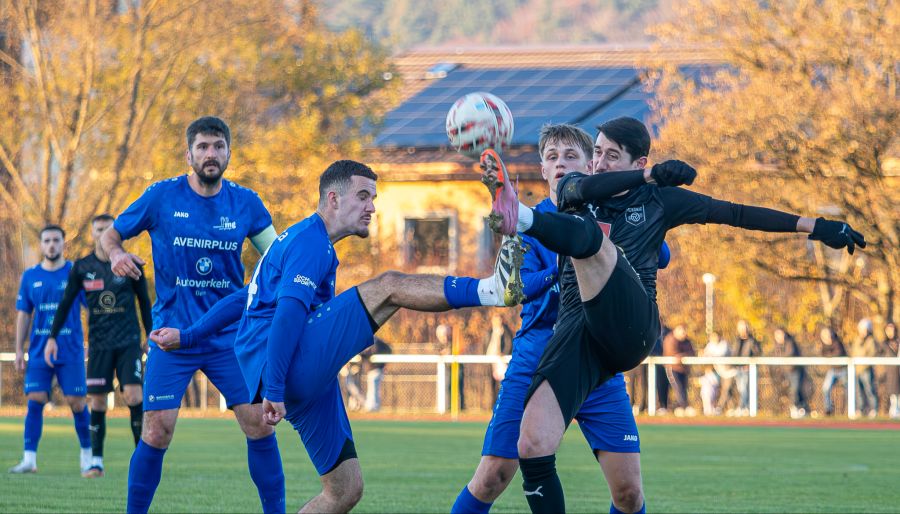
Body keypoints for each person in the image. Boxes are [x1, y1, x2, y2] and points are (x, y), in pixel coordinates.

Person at [480, 115, 865, 513]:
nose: (599, 163)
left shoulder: (659, 201)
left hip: (632, 327)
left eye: (612, 155)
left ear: (638, 161)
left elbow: (736, 213)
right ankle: (522, 216)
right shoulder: (575, 188)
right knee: (538, 448)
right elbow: (589, 186)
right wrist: (649, 176)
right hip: (580, 336)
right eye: (596, 152)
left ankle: (520, 215)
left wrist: (816, 226)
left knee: (593, 239)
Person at [148, 159, 523, 512]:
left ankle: (500, 288)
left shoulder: (299, 240)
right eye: (363, 196)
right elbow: (288, 315)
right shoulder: (310, 242)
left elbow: (243, 298)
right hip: (286, 366)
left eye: (373, 198)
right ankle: (490, 289)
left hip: (293, 375)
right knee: (388, 286)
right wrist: (274, 388)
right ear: (333, 198)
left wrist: (190, 335)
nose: (371, 207)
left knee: (345, 489)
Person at [450, 124, 672, 514]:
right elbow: (516, 287)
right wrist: (567, 263)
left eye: (570, 156)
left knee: (628, 493)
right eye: (552, 157)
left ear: (591, 166)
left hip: (596, 359)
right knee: (493, 476)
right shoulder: (527, 221)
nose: (560, 164)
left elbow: (661, 254)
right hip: (537, 357)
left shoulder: (612, 213)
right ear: (542, 169)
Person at [100, 116, 284, 514]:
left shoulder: (246, 203)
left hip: (231, 337)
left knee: (259, 424)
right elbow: (110, 234)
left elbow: (278, 258)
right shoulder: (161, 196)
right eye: (202, 147)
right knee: (157, 429)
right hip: (172, 336)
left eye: (218, 146)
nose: (210, 154)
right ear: (189, 155)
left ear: (229, 153)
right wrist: (115, 254)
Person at [45, 214, 153, 478]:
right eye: (99, 229)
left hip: (128, 342)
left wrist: (150, 334)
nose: (103, 233)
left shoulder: (130, 264)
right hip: (99, 345)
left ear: (116, 233)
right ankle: (96, 462)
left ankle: (141, 461)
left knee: (134, 396)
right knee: (98, 401)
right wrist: (52, 337)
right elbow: (66, 303)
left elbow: (145, 302)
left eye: (108, 229)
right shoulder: (82, 267)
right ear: (93, 234)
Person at [9, 225, 92, 475]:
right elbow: (24, 314)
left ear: (64, 243)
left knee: (77, 401)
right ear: (41, 245)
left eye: (56, 240)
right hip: (38, 350)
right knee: (35, 399)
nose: (52, 245)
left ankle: (88, 456)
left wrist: (94, 341)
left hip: (71, 348)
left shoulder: (76, 272)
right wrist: (18, 350)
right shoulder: (30, 276)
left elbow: (92, 308)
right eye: (47, 240)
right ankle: (29, 459)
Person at [772, 327, 808, 418]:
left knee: (795, 390)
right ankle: (798, 409)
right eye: (777, 335)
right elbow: (776, 356)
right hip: (785, 372)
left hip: (795, 371)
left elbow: (789, 354)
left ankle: (798, 408)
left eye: (780, 334)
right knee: (791, 391)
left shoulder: (790, 343)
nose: (779, 337)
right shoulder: (777, 345)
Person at [663, 324, 696, 416]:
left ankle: (682, 407)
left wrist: (683, 356)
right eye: (681, 330)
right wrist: (683, 356)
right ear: (675, 330)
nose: (683, 332)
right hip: (673, 368)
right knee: (678, 388)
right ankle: (683, 407)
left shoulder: (687, 341)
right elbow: (673, 355)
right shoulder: (670, 339)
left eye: (684, 330)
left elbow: (692, 353)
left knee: (684, 389)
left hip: (684, 369)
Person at [851, 318, 879, 418]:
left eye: (865, 329)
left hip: (866, 370)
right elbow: (854, 353)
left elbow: (871, 354)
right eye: (862, 329)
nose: (863, 332)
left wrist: (862, 362)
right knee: (858, 391)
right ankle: (860, 409)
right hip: (857, 370)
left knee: (869, 390)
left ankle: (873, 409)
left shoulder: (871, 341)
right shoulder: (857, 340)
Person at [734, 320, 762, 416]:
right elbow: (734, 353)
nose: (743, 330)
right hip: (738, 369)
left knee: (745, 388)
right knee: (741, 389)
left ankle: (743, 407)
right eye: (741, 328)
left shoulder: (752, 340)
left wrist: (750, 364)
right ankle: (745, 407)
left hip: (748, 369)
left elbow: (757, 353)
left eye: (744, 327)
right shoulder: (737, 340)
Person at [819, 327, 848, 416]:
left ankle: (853, 409)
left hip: (843, 369)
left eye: (828, 335)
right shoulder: (824, 345)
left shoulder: (837, 342)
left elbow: (837, 354)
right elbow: (823, 354)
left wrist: (829, 354)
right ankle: (828, 409)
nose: (827, 337)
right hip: (833, 370)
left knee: (849, 388)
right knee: (825, 388)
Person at [700, 332, 729, 416]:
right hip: (715, 372)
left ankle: (721, 408)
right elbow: (704, 355)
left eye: (715, 336)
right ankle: (709, 409)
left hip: (726, 371)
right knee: (707, 390)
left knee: (726, 390)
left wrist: (709, 355)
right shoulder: (710, 345)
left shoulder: (724, 344)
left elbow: (720, 355)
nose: (714, 338)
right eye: (712, 337)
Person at [363, 337, 392, 412]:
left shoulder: (378, 344)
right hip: (372, 370)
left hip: (376, 369)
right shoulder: (374, 343)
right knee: (372, 388)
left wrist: (385, 363)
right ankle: (371, 406)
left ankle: (374, 406)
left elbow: (388, 350)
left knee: (374, 388)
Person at [883, 322, 899, 419]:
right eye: (888, 330)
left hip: (897, 371)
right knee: (892, 392)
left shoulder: (898, 342)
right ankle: (894, 410)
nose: (890, 332)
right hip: (889, 372)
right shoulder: (884, 344)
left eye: (892, 329)